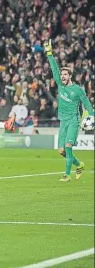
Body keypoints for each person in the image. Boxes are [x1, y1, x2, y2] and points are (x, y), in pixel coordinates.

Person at [44, 40, 94, 182]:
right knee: (61, 151)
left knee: (68, 147)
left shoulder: (77, 90)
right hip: (63, 121)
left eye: (65, 75)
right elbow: (54, 69)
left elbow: (87, 104)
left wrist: (92, 116)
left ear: (70, 76)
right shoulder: (60, 85)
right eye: (62, 75)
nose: (63, 77)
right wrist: (49, 54)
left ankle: (67, 175)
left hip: (73, 120)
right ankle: (79, 165)